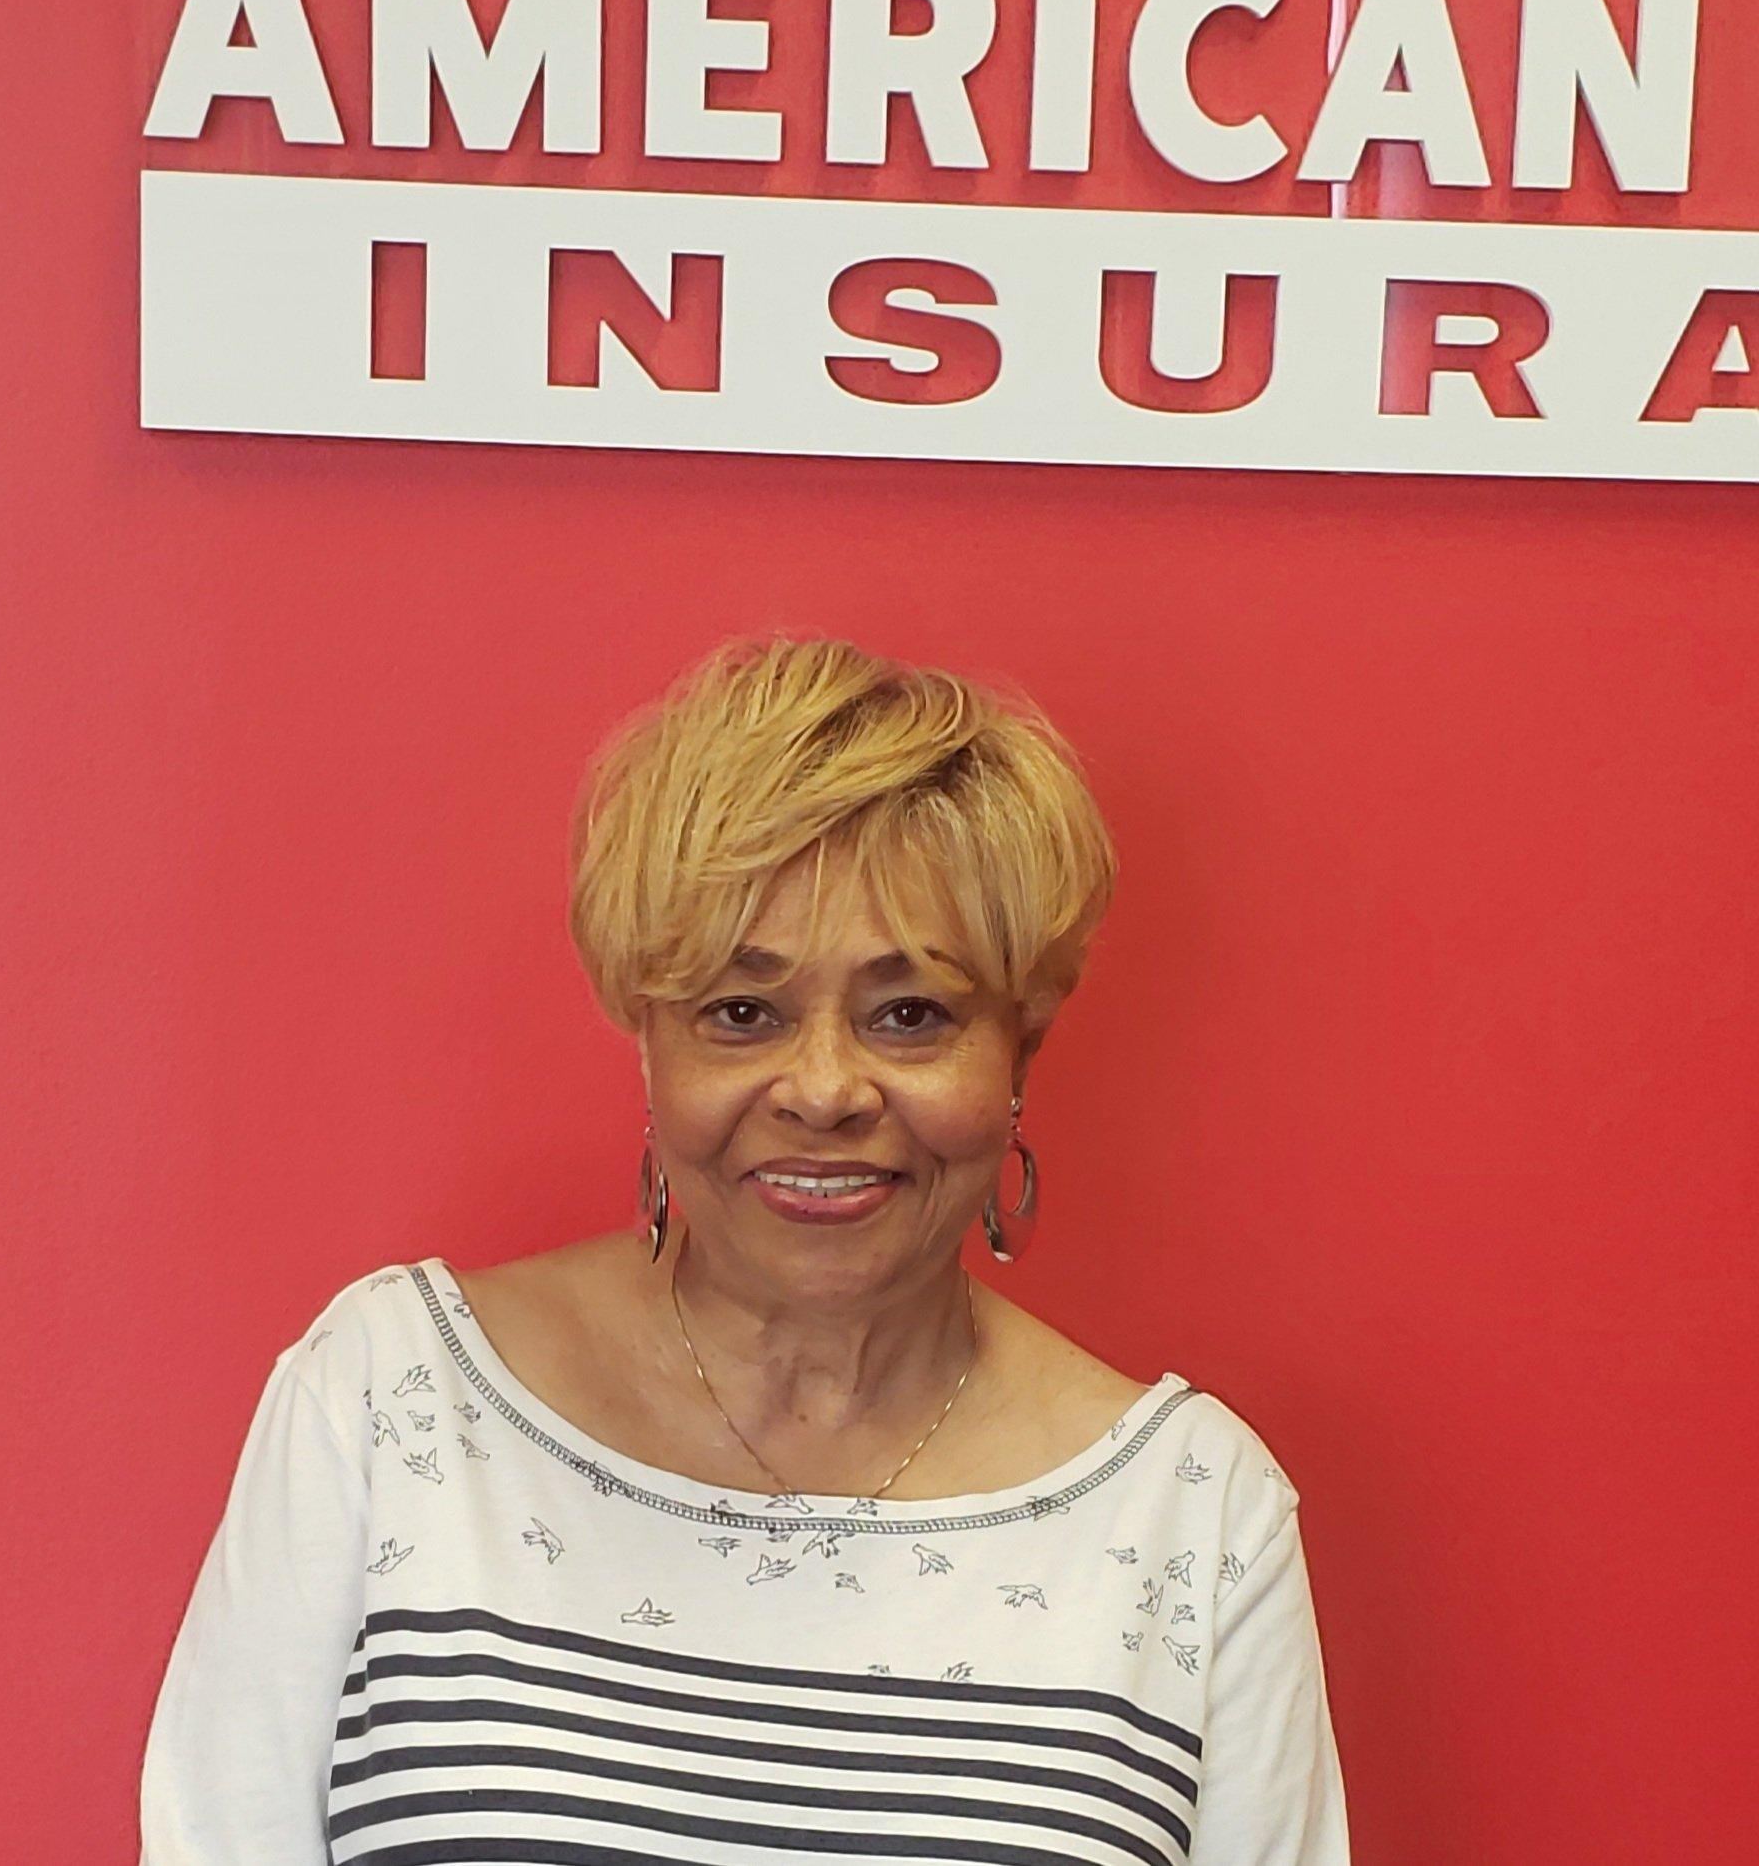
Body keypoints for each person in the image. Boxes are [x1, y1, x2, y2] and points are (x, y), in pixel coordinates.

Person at [139, 635, 1352, 1864]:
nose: (823, 1088)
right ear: (650, 1044)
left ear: (1018, 1053)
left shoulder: (1193, 1517)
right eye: (740, 1011)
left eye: (910, 1015)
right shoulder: (393, 1403)